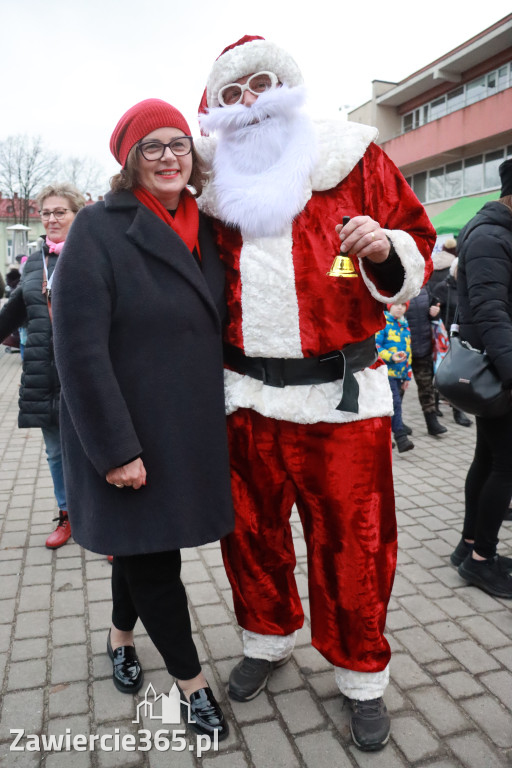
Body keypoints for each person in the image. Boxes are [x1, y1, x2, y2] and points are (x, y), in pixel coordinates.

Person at [196, 35, 436, 751]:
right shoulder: (206, 185)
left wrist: (383, 249)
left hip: (340, 403)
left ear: (288, 87)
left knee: (355, 547)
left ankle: (362, 673)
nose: (250, 103)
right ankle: (266, 640)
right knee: (250, 538)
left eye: (262, 84)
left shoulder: (354, 157)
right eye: (232, 94)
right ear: (216, 110)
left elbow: (414, 247)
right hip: (242, 399)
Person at [51, 99, 233, 741]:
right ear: (130, 161)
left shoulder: (208, 227)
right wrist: (114, 450)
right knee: (157, 558)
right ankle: (192, 685)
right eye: (151, 146)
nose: (168, 157)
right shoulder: (98, 228)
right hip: (125, 428)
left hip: (185, 428)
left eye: (178, 144)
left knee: (145, 544)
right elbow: (78, 348)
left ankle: (119, 635)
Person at [0, 183, 86, 547]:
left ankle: (105, 523)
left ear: (76, 214)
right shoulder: (35, 261)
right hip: (43, 374)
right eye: (46, 212)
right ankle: (68, 516)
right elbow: (16, 309)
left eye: (60, 212)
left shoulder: (92, 254)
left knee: (94, 451)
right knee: (55, 452)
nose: (51, 219)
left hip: (84, 372)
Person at [450, 158, 512, 598]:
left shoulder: (493, 232)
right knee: (506, 466)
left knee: (489, 460)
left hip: (496, 365)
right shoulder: (492, 236)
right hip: (501, 368)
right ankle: (481, 562)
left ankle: (469, 545)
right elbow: (492, 312)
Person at [406, 288, 447, 436]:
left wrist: (435, 312)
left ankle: (432, 423)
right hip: (400, 352)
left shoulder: (424, 291)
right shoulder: (395, 290)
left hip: (423, 348)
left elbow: (434, 312)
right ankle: (395, 425)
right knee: (397, 391)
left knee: (426, 388)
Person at [376, 303, 414, 453]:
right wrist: (390, 356)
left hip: (399, 374)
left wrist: (408, 375)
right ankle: (400, 437)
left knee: (386, 407)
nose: (400, 308)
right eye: (396, 305)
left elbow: (408, 351)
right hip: (385, 372)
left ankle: (382, 437)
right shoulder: (383, 322)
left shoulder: (405, 325)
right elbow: (376, 346)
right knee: (395, 403)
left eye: (403, 305)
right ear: (389, 306)